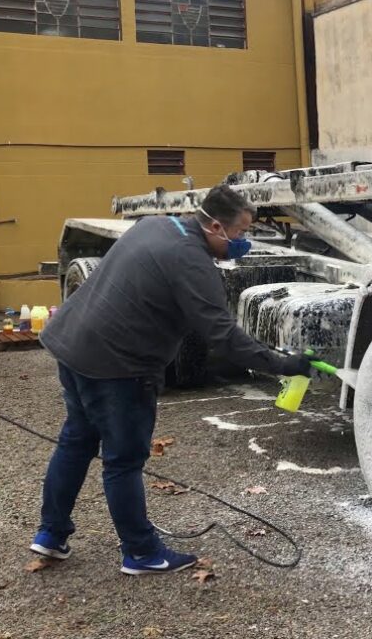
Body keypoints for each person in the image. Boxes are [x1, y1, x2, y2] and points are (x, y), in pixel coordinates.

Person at [31, 184, 316, 575]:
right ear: (215, 225)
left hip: (74, 344)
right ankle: (141, 553)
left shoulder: (157, 225)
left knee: (76, 441)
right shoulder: (192, 263)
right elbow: (224, 337)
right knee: (124, 460)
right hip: (118, 367)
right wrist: (285, 364)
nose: (243, 242)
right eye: (240, 233)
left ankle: (51, 533)